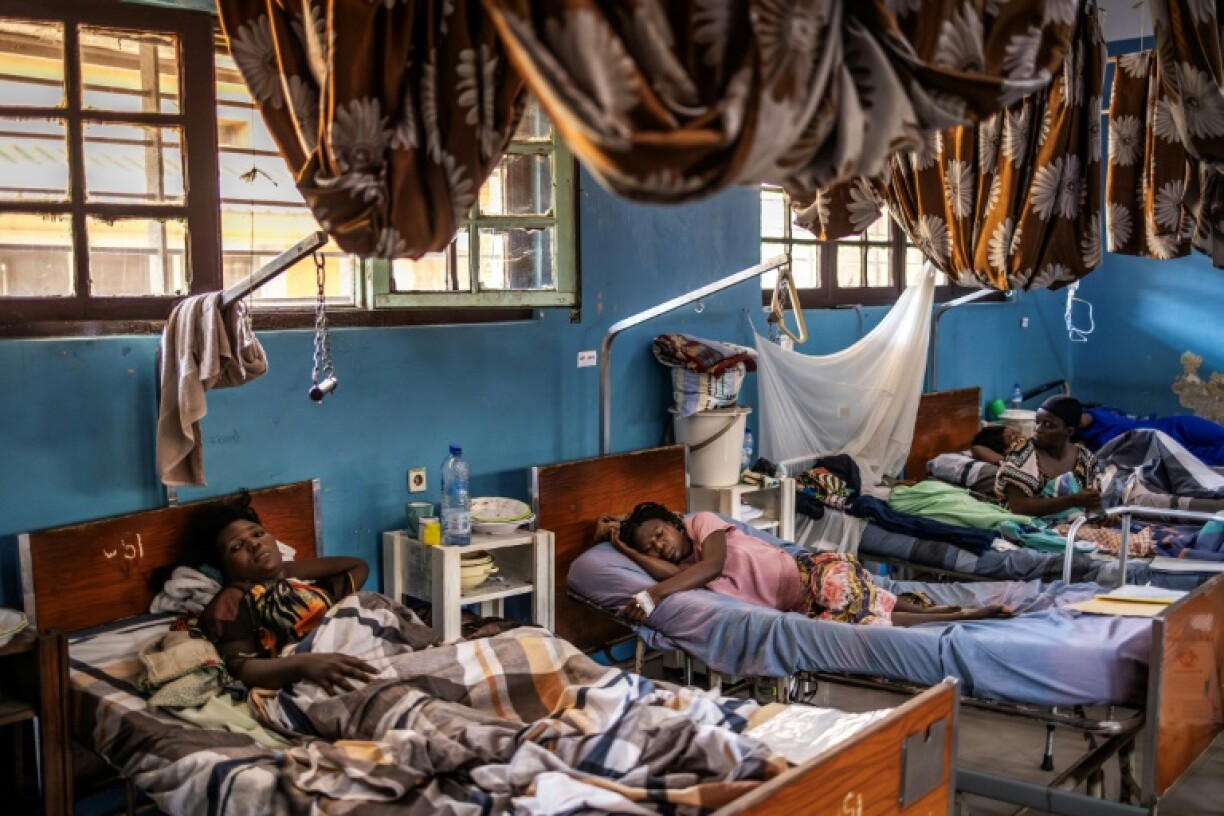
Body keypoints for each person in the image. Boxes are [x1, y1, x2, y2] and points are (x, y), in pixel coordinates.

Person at [609, 503, 1009, 627]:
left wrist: (651, 594)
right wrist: (626, 551)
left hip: (810, 570)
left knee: (846, 598)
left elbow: (713, 566)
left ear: (675, 523)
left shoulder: (703, 525)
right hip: (799, 605)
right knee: (855, 618)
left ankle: (966, 615)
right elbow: (670, 575)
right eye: (650, 547)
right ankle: (954, 615)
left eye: (660, 533)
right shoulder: (683, 573)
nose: (659, 546)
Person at [190, 491, 377, 693]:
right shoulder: (234, 599)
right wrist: (301, 665)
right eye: (236, 547)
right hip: (308, 677)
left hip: (358, 652)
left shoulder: (304, 588)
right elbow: (240, 667)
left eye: (258, 534)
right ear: (225, 568)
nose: (254, 543)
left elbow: (358, 567)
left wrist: (283, 571)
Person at [995, 395, 1102, 517]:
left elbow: (1092, 502)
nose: (1038, 429)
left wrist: (1102, 516)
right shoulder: (1024, 453)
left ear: (1069, 432)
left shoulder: (1085, 458)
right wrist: (1072, 500)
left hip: (1075, 524)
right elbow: (1018, 506)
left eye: (1048, 425)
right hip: (1030, 525)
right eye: (1037, 422)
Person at [1078, 405, 1224, 467]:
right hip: (1164, 450)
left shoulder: (1093, 417)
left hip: (1174, 428)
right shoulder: (1086, 445)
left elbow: (1077, 418)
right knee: (1211, 463)